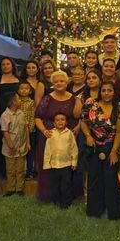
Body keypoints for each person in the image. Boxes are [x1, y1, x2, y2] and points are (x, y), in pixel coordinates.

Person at [80, 81, 120, 220]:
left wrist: (114, 152)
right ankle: (95, 211)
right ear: (100, 92)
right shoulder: (91, 105)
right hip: (94, 147)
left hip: (110, 148)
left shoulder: (119, 110)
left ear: (114, 92)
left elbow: (119, 133)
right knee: (94, 178)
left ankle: (114, 212)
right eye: (104, 90)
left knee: (111, 178)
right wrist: (88, 136)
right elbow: (83, 122)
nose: (106, 93)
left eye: (109, 90)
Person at [35, 71, 80, 202]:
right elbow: (37, 117)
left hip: (68, 137)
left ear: (67, 83)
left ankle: (68, 195)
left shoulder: (74, 99)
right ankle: (49, 195)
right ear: (52, 84)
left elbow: (81, 116)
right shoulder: (47, 99)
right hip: (49, 138)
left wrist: (77, 127)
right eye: (56, 82)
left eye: (61, 81)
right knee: (49, 166)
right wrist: (44, 131)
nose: (59, 83)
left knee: (68, 167)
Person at [0, 58, 20, 181]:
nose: (5, 66)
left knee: (14, 137)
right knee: (0, 140)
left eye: (8, 64)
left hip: (15, 112)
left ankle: (15, 171)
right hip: (0, 111)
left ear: (12, 65)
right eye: (3, 64)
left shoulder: (19, 79)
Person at [43, 112, 79, 209]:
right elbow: (47, 150)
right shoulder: (51, 134)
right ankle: (56, 202)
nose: (60, 122)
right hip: (54, 165)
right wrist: (47, 164)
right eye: (57, 120)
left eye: (62, 120)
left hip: (66, 165)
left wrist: (74, 162)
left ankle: (66, 203)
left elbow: (74, 148)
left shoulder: (69, 134)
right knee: (55, 185)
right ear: (54, 123)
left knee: (66, 185)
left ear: (66, 122)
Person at [0, 93, 29, 197]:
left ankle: (19, 188)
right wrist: (11, 146)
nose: (20, 100)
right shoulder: (5, 116)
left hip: (21, 147)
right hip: (10, 148)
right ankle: (11, 188)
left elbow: (26, 128)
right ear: (13, 102)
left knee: (20, 169)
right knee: (11, 170)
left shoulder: (21, 113)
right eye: (18, 99)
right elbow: (5, 132)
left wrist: (28, 142)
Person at [18, 82, 37, 178]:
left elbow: (33, 115)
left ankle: (30, 171)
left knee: (30, 151)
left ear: (30, 91)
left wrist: (31, 128)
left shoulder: (32, 102)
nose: (24, 90)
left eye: (26, 88)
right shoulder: (16, 102)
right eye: (21, 88)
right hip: (18, 130)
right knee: (20, 150)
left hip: (30, 130)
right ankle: (20, 171)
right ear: (18, 90)